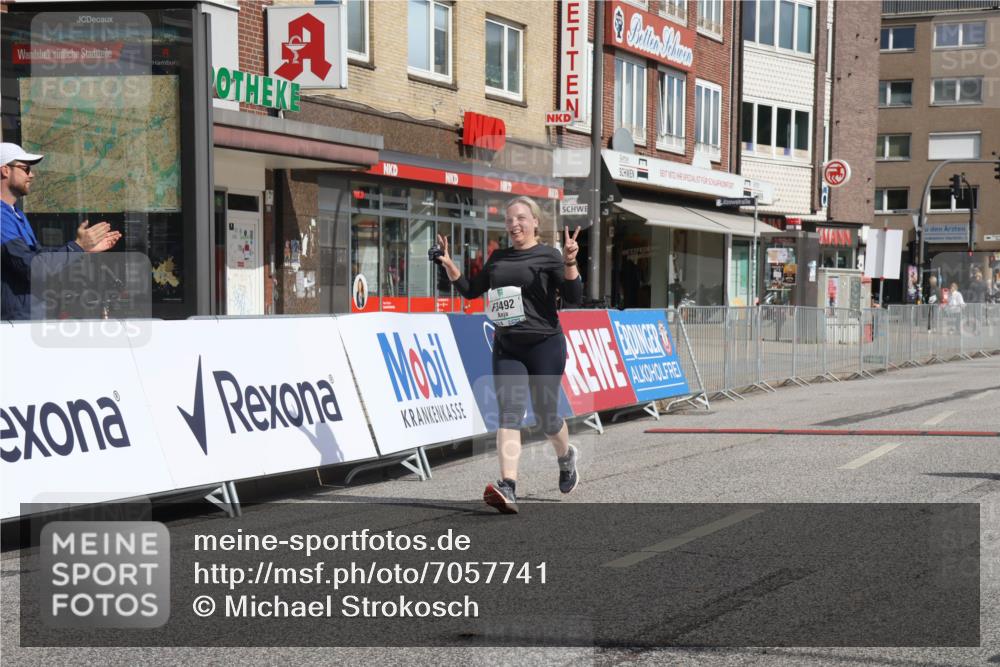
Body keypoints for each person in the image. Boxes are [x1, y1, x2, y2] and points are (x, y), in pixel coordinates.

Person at [434, 196, 583, 514]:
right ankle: (508, 486)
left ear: (535, 222)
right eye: (509, 219)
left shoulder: (549, 256)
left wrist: (570, 262)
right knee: (509, 413)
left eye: (521, 218)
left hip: (545, 344)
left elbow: (573, 297)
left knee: (546, 416)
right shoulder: (498, 258)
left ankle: (565, 457)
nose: (514, 224)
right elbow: (473, 291)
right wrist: (450, 266)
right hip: (508, 346)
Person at [1, 143, 121, 320]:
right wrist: (76, 248)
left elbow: (38, 255)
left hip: (28, 320)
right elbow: (31, 267)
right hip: (13, 325)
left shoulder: (15, 213)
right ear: (5, 171)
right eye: (25, 169)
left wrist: (81, 250)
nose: (31, 175)